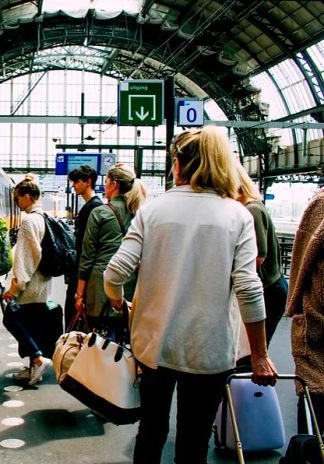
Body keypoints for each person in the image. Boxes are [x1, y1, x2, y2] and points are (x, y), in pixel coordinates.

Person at [103, 127, 278, 464]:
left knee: (151, 431)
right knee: (193, 440)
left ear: (178, 164)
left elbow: (114, 273)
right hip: (209, 351)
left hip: (154, 346)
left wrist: (116, 300)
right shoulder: (237, 215)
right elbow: (248, 287)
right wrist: (258, 354)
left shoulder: (153, 211)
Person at [74, 163, 147, 319]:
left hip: (100, 286)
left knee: (101, 339)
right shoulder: (139, 213)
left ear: (114, 185)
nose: (104, 186)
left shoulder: (100, 212)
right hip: (129, 282)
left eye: (106, 182)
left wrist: (79, 294)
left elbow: (87, 257)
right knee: (124, 333)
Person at [2, 175, 53, 385]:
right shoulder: (44, 218)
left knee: (11, 319)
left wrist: (14, 289)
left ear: (27, 196)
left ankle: (38, 360)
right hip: (42, 283)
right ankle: (33, 366)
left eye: (17, 199)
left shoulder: (29, 222)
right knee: (31, 325)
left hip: (30, 286)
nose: (16, 204)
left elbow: (27, 259)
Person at [235, 163, 288, 345]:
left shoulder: (251, 209)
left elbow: (257, 258)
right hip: (271, 287)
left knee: (254, 347)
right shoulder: (253, 206)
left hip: (269, 290)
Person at [286, 188, 324, 434]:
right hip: (317, 328)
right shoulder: (320, 204)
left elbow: (300, 261)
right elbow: (302, 264)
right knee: (315, 410)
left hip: (316, 323)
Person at [64, 165, 103, 329]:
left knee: (74, 318)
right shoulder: (91, 206)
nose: (73, 185)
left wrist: (80, 289)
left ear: (88, 182)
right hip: (80, 270)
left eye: (77, 181)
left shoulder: (93, 208)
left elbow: (88, 249)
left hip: (82, 273)